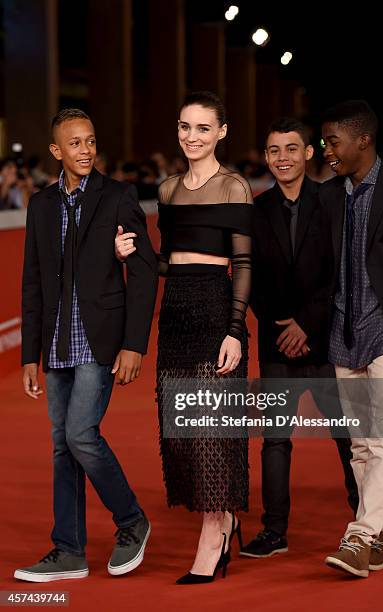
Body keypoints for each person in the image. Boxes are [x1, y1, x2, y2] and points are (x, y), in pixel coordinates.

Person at [115, 90, 253, 584]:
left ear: (221, 132)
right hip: (175, 314)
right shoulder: (169, 190)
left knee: (212, 431)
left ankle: (213, 535)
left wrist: (236, 330)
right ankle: (225, 520)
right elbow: (169, 260)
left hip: (217, 309)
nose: (190, 136)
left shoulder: (235, 187)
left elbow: (242, 263)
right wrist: (131, 254)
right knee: (183, 434)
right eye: (183, 127)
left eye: (201, 128)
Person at [16, 108, 158, 582]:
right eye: (75, 143)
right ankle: (69, 550)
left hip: (99, 342)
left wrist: (134, 343)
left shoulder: (117, 197)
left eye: (91, 140)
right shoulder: (41, 206)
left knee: (80, 435)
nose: (86, 149)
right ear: (57, 151)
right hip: (56, 345)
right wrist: (29, 356)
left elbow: (142, 273)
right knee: (63, 445)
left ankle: (132, 520)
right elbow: (33, 283)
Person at [241, 118, 358, 559]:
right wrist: (282, 325)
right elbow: (249, 278)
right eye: (274, 151)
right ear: (266, 157)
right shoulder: (257, 209)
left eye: (291, 149)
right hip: (276, 343)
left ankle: (367, 522)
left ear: (309, 153)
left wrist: (307, 324)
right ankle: (274, 531)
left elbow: (342, 272)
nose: (283, 158)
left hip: (328, 340)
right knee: (274, 440)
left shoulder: (334, 202)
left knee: (348, 436)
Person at [320, 100, 383, 577]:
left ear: (363, 140)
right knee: (360, 444)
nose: (327, 150)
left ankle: (359, 538)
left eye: (333, 141)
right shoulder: (329, 195)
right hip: (343, 330)